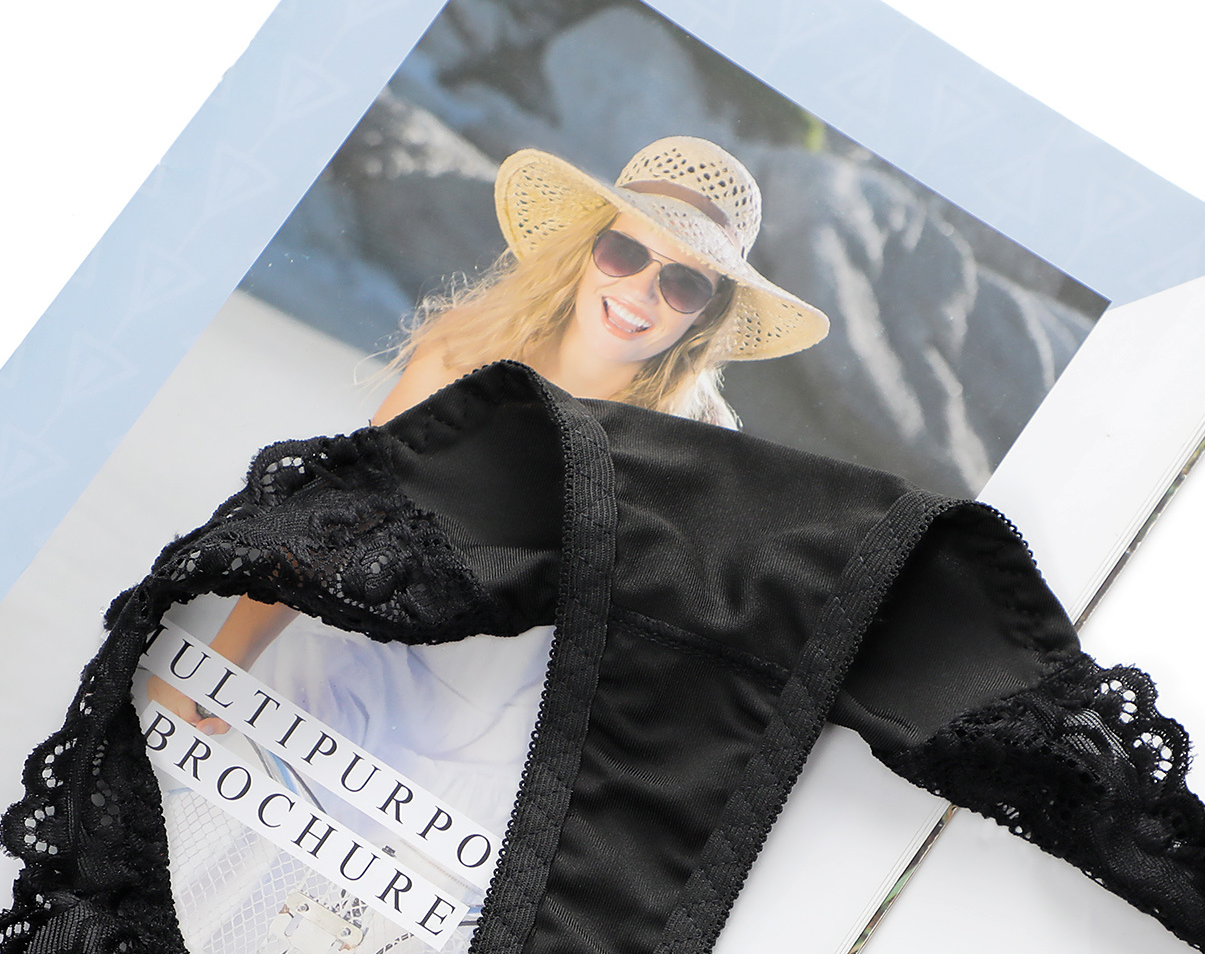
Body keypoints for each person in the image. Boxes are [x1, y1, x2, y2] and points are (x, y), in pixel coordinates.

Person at [149, 135, 830, 727]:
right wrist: (222, 663)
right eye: (625, 251)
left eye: (684, 283)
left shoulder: (695, 449)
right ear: (588, 249)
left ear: (706, 314)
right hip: (340, 668)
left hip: (506, 736)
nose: (641, 292)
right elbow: (338, 519)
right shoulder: (465, 352)